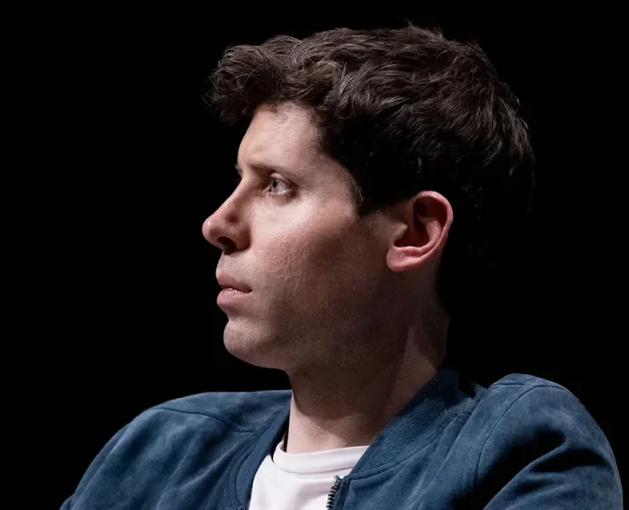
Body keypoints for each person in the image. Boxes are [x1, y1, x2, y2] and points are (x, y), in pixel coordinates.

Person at [59, 26, 622, 509]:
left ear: (415, 232)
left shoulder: (518, 449)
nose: (217, 224)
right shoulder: (163, 450)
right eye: (239, 180)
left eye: (277, 186)